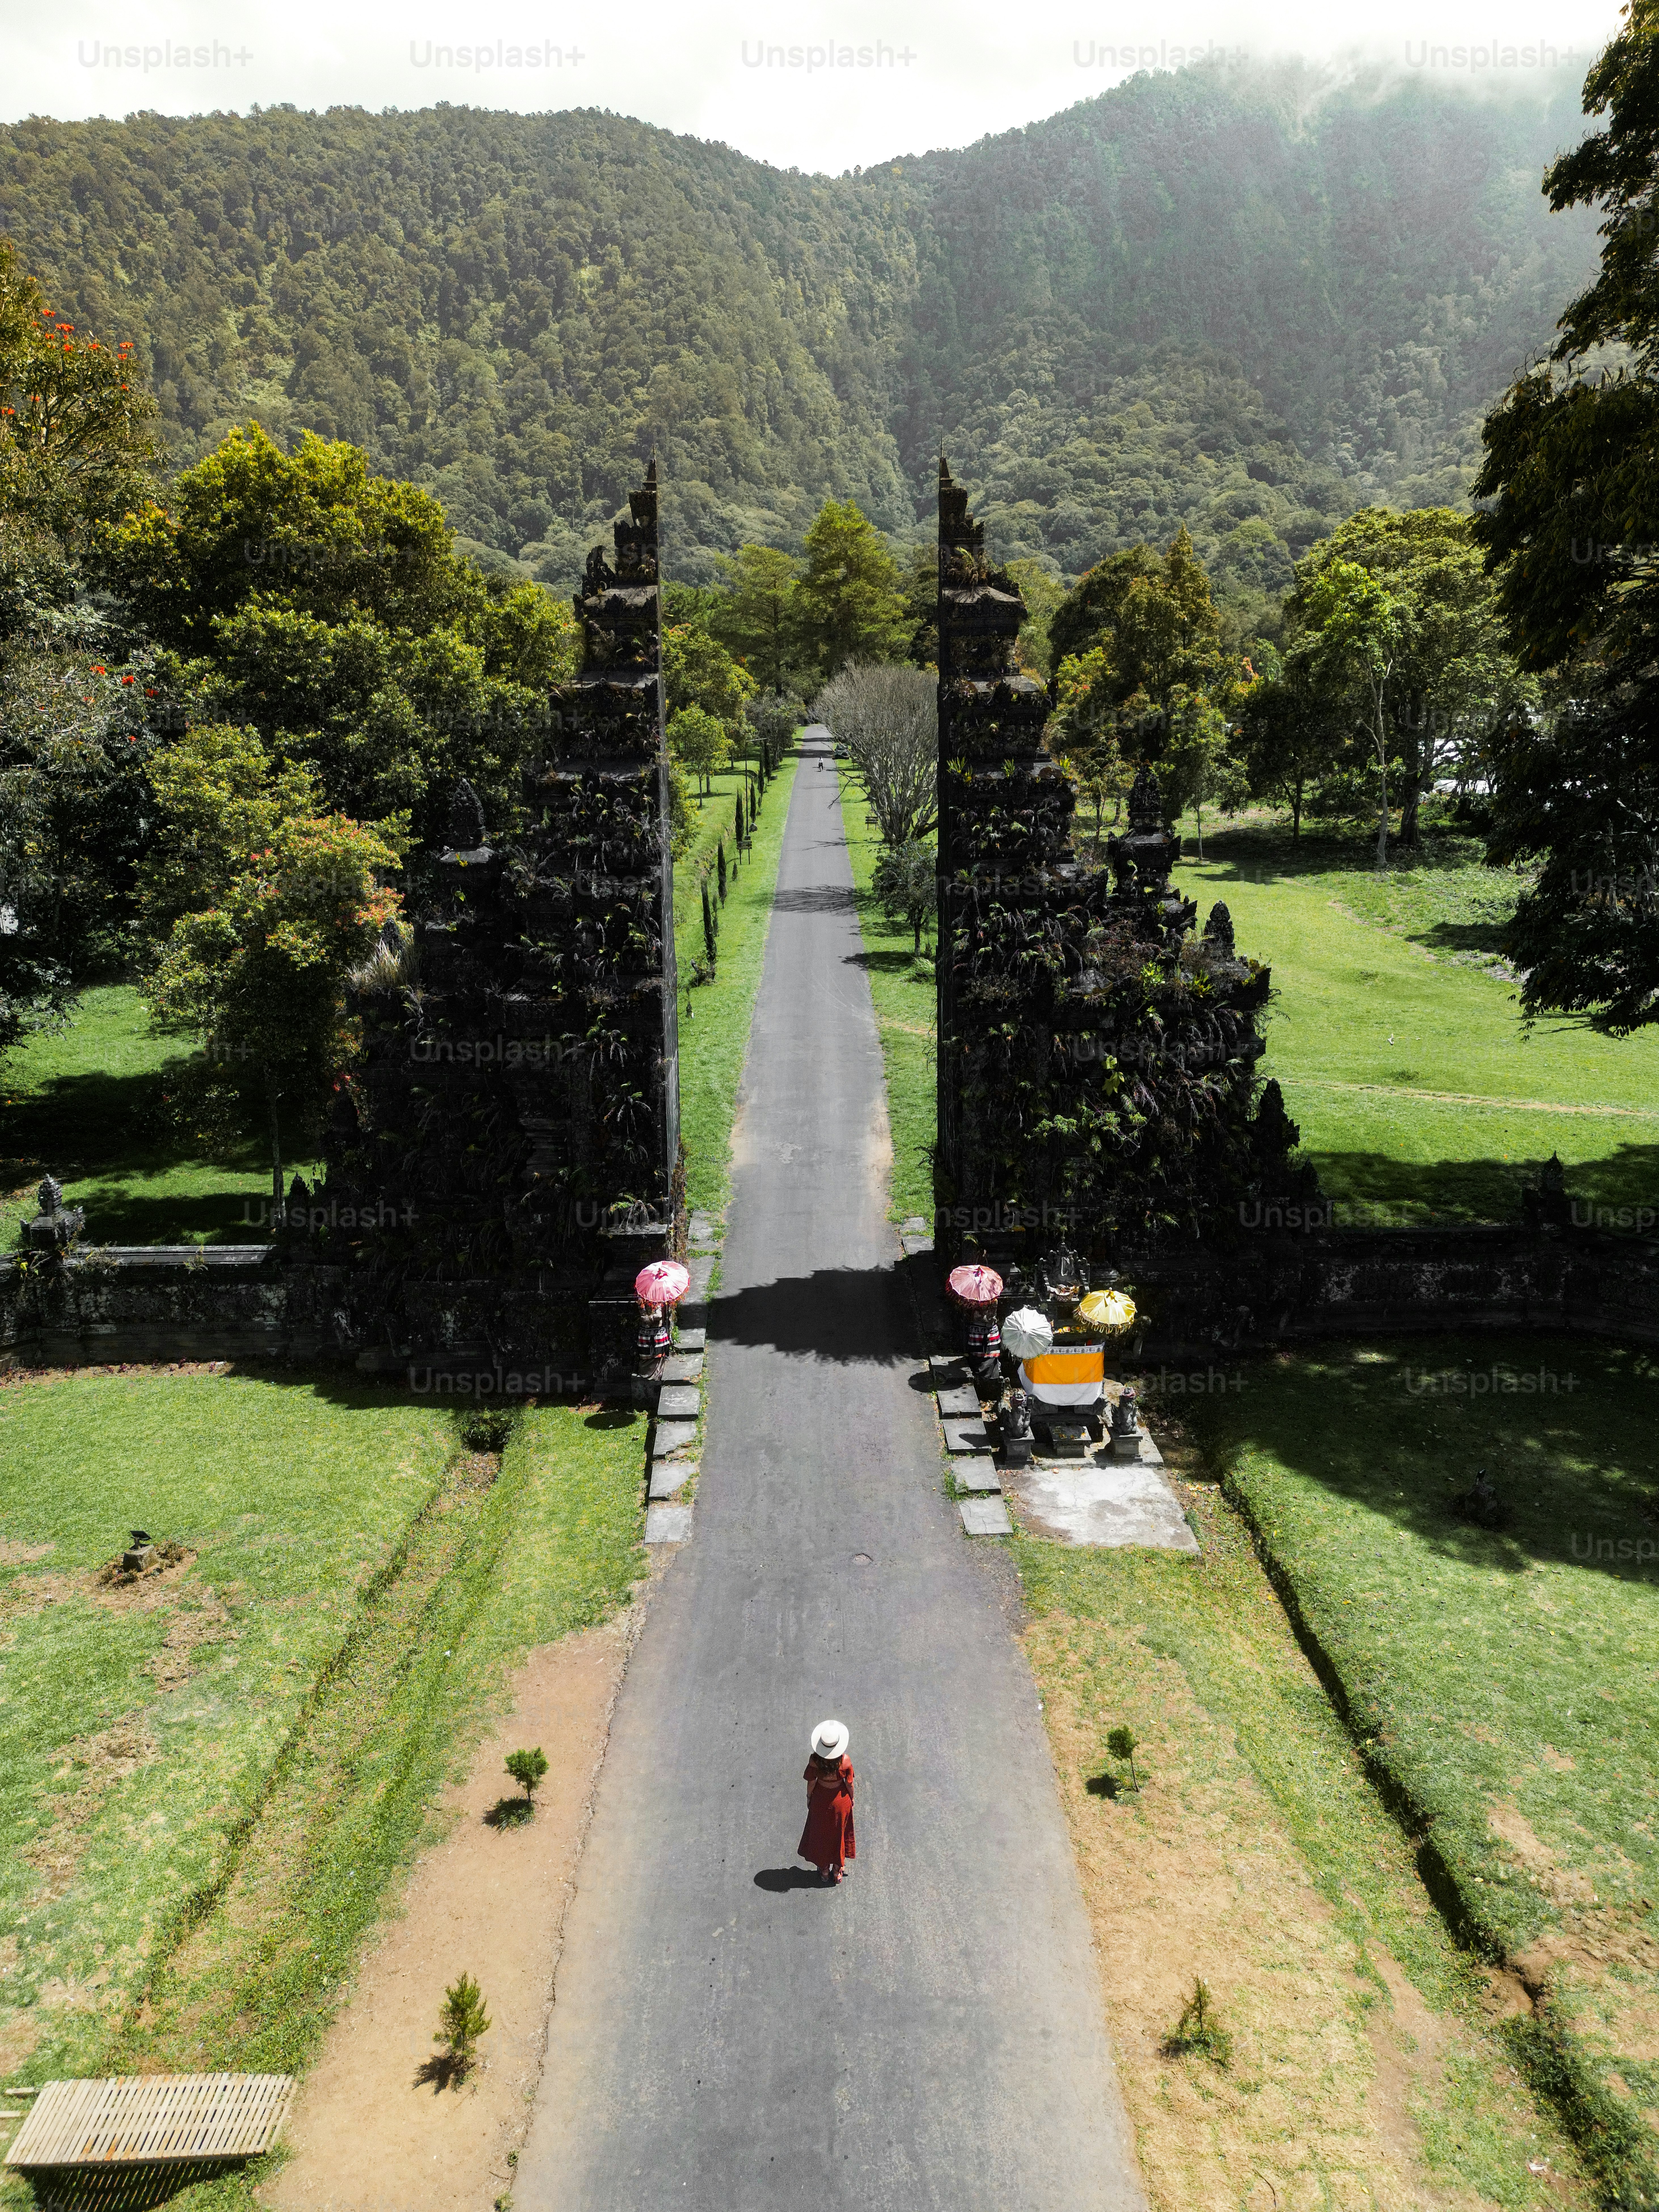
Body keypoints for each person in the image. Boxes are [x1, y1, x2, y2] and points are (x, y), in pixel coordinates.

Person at [798, 1719, 855, 1885]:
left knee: (821, 1834)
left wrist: (810, 1798)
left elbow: (811, 1782)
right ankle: (837, 1871)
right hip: (840, 1803)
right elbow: (849, 1784)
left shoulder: (815, 1761)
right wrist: (852, 1799)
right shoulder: (845, 1761)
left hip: (821, 1801)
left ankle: (824, 1870)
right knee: (839, 1834)